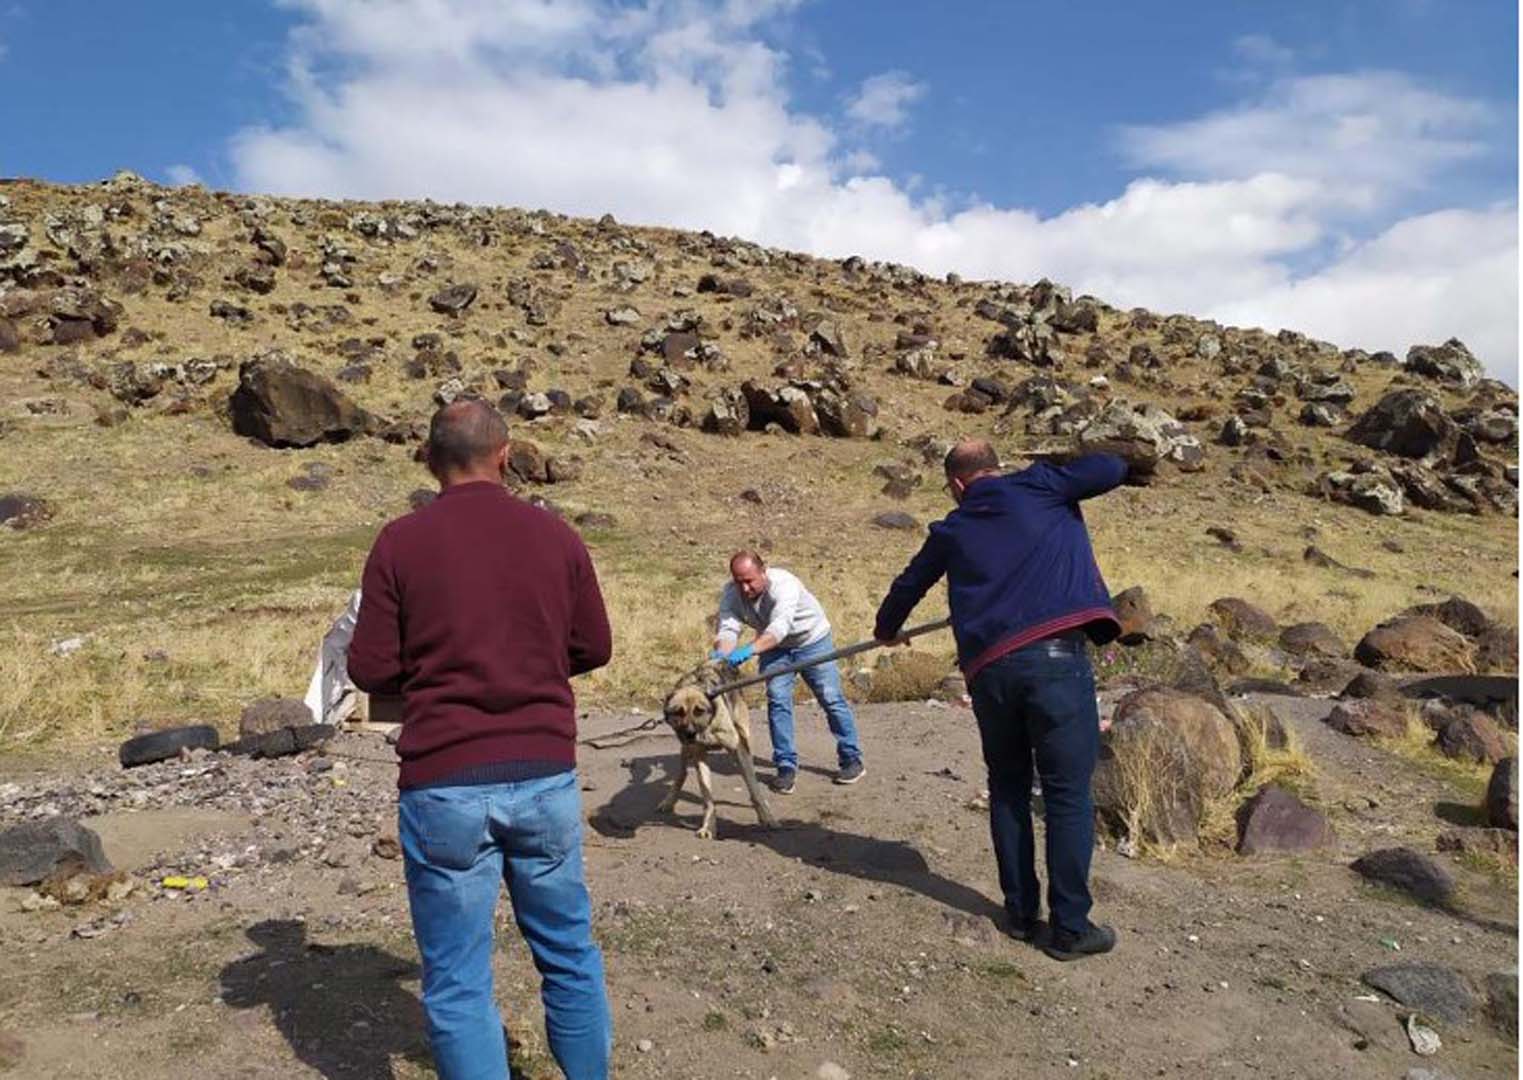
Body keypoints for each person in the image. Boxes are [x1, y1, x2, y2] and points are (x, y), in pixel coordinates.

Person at [348, 399, 613, 1079]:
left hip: (444, 780)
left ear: (429, 460)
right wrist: (529, 662)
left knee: (458, 980)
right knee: (569, 956)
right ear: (506, 454)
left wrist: (435, 672)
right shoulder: (556, 536)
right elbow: (593, 645)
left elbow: (370, 669)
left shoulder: (399, 542)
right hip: (544, 771)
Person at [872, 438, 1128, 962]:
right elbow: (1112, 467)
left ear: (957, 484)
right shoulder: (1041, 486)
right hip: (1055, 664)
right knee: (1066, 794)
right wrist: (1059, 462)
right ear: (997, 468)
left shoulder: (952, 528)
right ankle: (1070, 929)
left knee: (1008, 789)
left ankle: (1019, 915)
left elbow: (909, 584)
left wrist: (887, 630)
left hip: (990, 674)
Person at [712, 551, 865, 793]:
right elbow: (728, 629)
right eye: (739, 581)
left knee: (831, 698)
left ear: (763, 571)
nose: (745, 588)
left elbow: (778, 629)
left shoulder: (784, 585)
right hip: (775, 650)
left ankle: (851, 759)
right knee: (777, 700)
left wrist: (748, 651)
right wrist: (722, 656)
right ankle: (785, 766)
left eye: (749, 581)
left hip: (812, 641)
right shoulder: (732, 593)